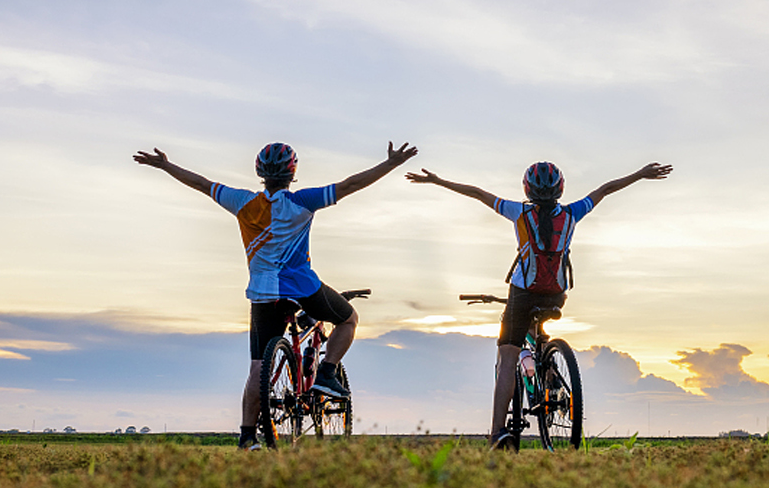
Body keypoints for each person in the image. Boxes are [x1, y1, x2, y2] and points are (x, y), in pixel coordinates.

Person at [135, 141, 418, 449]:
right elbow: (350, 185)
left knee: (258, 368)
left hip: (262, 294)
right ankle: (326, 372)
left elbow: (202, 184)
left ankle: (247, 437)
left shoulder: (241, 202)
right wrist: (390, 164)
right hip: (303, 288)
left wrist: (165, 165)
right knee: (349, 319)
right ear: (292, 173)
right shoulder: (303, 202)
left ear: (259, 172)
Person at [406, 160, 672, 449]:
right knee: (537, 331)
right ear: (560, 189)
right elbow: (605, 189)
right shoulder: (572, 213)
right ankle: (550, 374)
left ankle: (497, 433)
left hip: (523, 294)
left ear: (527, 189)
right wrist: (641, 174)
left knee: (508, 359)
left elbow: (478, 193)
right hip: (557, 294)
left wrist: (438, 181)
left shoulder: (518, 212)